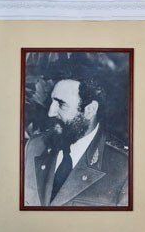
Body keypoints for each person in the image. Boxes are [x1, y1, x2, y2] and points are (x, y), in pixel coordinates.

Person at [24, 78, 129, 207]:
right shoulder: (34, 147)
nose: (50, 113)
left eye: (61, 104)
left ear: (90, 110)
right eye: (51, 102)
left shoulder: (123, 167)